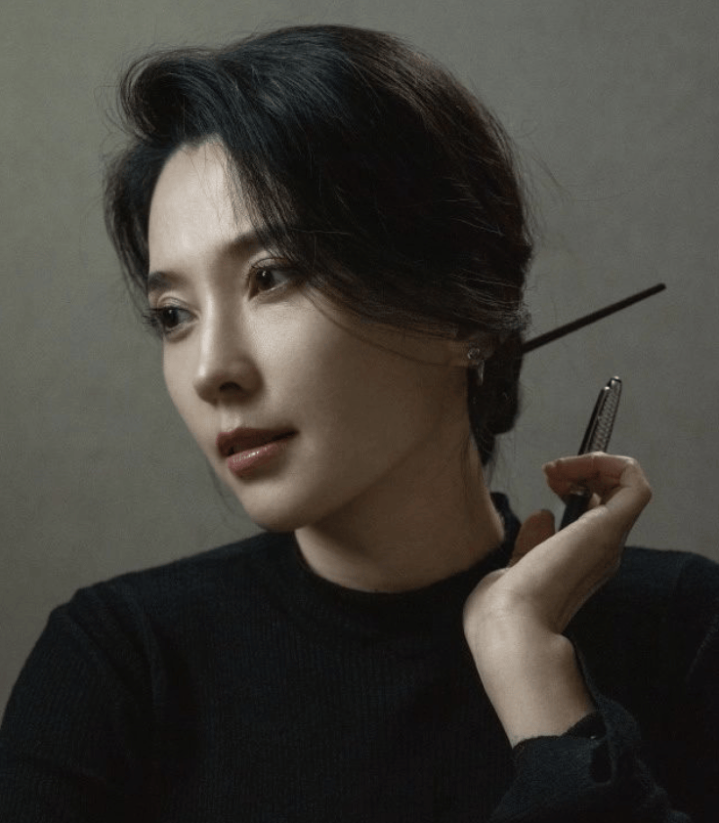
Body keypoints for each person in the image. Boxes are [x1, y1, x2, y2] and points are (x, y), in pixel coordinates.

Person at [1, 23, 717, 822]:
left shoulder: (681, 628)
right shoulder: (118, 666)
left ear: (457, 309)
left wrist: (532, 674)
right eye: (173, 313)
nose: (210, 369)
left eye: (271, 276)